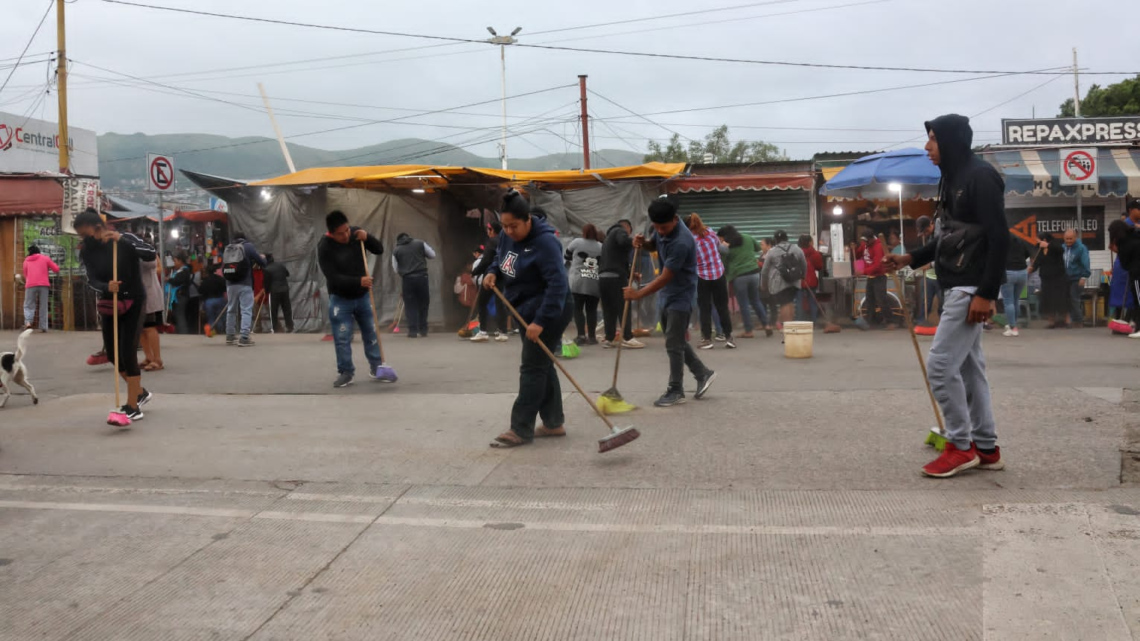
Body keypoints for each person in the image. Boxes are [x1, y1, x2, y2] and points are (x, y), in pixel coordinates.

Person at [884, 113, 1009, 478]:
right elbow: (949, 237)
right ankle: (986, 447)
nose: (927, 147)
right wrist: (910, 259)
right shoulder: (953, 179)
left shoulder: (980, 177)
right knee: (970, 371)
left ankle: (960, 445)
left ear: (951, 142)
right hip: (958, 283)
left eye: (933, 140)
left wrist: (986, 293)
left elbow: (999, 237)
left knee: (939, 366)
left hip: (970, 287)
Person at [484, 190, 572, 448]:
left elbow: (558, 286)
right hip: (525, 310)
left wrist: (540, 322)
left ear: (528, 220)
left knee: (532, 368)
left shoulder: (545, 243)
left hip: (550, 310)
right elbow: (501, 260)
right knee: (542, 364)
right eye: (504, 226)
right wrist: (492, 273)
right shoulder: (505, 236)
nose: (509, 231)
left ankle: (520, 428)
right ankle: (554, 423)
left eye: (514, 226)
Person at [624, 198, 715, 408]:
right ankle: (703, 373)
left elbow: (665, 276)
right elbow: (653, 244)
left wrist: (638, 294)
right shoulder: (663, 228)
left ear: (675, 219)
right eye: (656, 227)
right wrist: (642, 243)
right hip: (666, 294)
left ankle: (676, 389)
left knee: (673, 344)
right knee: (675, 340)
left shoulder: (682, 241)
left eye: (663, 227)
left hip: (681, 295)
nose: (660, 231)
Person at [73, 209, 155, 421]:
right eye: (81, 235)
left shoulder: (125, 238)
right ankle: (139, 392)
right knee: (112, 354)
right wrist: (106, 286)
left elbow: (150, 253)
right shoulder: (87, 251)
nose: (84, 238)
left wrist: (124, 241)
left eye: (85, 233)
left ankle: (133, 406)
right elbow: (91, 279)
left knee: (128, 351)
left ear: (97, 227)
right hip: (109, 303)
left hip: (133, 300)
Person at [318, 211, 385, 388]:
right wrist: (358, 281)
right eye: (340, 233)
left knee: (371, 333)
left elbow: (379, 249)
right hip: (340, 299)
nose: (346, 235)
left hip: (362, 297)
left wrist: (367, 237)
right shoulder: (324, 247)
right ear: (331, 233)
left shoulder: (356, 235)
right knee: (342, 337)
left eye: (347, 230)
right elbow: (332, 277)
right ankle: (346, 372)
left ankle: (377, 367)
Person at [688, 213, 735, 350]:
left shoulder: (690, 239)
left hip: (702, 277)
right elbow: (719, 248)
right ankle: (729, 337)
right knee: (722, 307)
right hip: (719, 274)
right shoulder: (710, 232)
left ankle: (707, 339)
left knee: (705, 308)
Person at [598, 218, 645, 349]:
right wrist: (633, 241)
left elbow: (617, 261)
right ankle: (627, 337)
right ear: (627, 228)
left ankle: (610, 338)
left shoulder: (607, 240)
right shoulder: (619, 231)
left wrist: (631, 274)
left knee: (609, 310)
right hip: (616, 278)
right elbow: (623, 240)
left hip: (603, 278)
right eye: (629, 231)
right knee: (624, 306)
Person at [717, 225, 768, 338]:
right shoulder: (747, 237)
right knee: (756, 300)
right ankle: (766, 325)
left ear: (724, 236)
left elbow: (723, 263)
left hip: (740, 276)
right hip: (754, 273)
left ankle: (748, 331)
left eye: (720, 238)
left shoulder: (725, 247)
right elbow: (757, 248)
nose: (720, 241)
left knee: (744, 304)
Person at [223, 233, 266, 347]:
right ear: (244, 238)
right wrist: (263, 259)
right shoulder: (248, 246)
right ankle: (244, 337)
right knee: (246, 310)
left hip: (230, 283)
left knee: (231, 309)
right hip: (244, 283)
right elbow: (261, 263)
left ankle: (230, 336)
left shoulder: (229, 248)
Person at [565, 223, 604, 345]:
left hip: (578, 282)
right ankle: (592, 337)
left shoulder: (576, 242)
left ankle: (581, 336)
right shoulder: (601, 246)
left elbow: (567, 255)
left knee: (578, 309)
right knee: (591, 310)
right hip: (594, 282)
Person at [760, 230, 807, 330]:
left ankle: (787, 327)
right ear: (787, 238)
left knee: (784, 303)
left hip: (779, 282)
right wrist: (802, 276)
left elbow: (765, 270)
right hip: (794, 280)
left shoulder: (772, 252)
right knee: (789, 302)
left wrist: (763, 284)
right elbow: (803, 264)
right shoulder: (797, 249)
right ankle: (790, 325)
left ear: (776, 240)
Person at [392, 232, 436, 338]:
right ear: (409, 237)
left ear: (398, 241)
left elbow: (395, 268)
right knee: (424, 303)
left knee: (410, 305)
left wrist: (405, 270)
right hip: (422, 277)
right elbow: (432, 255)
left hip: (407, 279)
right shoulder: (420, 243)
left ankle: (412, 331)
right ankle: (423, 330)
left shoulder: (396, 250)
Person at [854, 228, 893, 329]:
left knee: (881, 299)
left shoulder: (878, 247)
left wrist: (863, 271)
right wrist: (854, 249)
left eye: (867, 241)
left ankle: (890, 321)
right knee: (869, 299)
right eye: (864, 241)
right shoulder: (864, 244)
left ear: (872, 239)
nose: (865, 243)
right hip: (870, 276)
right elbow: (859, 255)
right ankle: (871, 321)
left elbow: (877, 266)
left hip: (879, 276)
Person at [1108, 219, 1140, 336]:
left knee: (1138, 300)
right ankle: (1136, 326)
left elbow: (1125, 264)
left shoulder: (1124, 243)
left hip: (1137, 273)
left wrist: (1117, 250)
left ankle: (1138, 328)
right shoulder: (1135, 235)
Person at [1031, 233, 1069, 328]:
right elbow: (1037, 262)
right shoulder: (1041, 250)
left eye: (1039, 240)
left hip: (1058, 278)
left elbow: (1061, 250)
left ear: (1044, 239)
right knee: (1048, 301)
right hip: (1046, 279)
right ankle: (1052, 322)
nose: (1038, 242)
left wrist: (1048, 245)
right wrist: (1031, 269)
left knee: (1061, 300)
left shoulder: (1055, 245)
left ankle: (1066, 321)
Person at [21, 245, 59, 332]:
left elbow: (25, 274)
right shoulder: (45, 258)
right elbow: (56, 269)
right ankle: (43, 326)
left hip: (30, 284)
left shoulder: (26, 261)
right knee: (43, 305)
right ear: (39, 251)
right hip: (44, 285)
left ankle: (28, 323)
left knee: (28, 304)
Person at [1000, 238, 1032, 337]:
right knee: (1016, 299)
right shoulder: (1020, 241)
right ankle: (1013, 323)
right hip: (1023, 272)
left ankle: (1013, 327)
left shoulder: (1001, 242)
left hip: (1008, 272)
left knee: (1008, 301)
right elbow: (1028, 254)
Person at [913, 216, 941, 325]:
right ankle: (921, 321)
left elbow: (943, 257)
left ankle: (944, 324)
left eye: (926, 231)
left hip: (940, 277)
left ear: (931, 224)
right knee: (925, 302)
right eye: (922, 233)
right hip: (928, 277)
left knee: (943, 303)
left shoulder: (941, 236)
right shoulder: (928, 239)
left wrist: (929, 265)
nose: (924, 234)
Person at [139, 256, 165, 371]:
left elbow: (158, 268)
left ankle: (157, 359)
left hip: (149, 293)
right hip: (137, 294)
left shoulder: (147, 252)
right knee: (139, 328)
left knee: (149, 327)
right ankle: (149, 357)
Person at [1061, 229, 1091, 327]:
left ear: (1075, 238)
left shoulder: (1081, 248)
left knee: (1074, 299)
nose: (1068, 241)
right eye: (1066, 239)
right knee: (1065, 299)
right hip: (1065, 279)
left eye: (1071, 239)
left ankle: (1078, 321)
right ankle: (1068, 320)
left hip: (1077, 278)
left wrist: (1084, 277)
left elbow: (1086, 263)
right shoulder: (1063, 247)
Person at [796, 234, 824, 324]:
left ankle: (799, 322)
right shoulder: (815, 253)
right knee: (812, 302)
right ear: (809, 242)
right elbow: (819, 267)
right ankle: (814, 321)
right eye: (812, 241)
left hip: (799, 281)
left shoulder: (796, 252)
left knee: (799, 302)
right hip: (811, 282)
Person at [263, 253, 294, 333]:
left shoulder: (266, 269)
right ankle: (290, 326)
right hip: (285, 289)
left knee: (273, 311)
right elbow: (287, 274)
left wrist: (266, 292)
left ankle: (275, 328)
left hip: (274, 291)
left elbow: (266, 283)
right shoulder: (281, 265)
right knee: (287, 309)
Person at [200, 262, 227, 340]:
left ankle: (212, 332)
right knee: (220, 317)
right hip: (220, 300)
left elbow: (200, 290)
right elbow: (225, 288)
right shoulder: (220, 279)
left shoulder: (205, 280)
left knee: (211, 317)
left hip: (209, 301)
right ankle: (220, 332)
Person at [167, 252, 192, 334]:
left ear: (180, 261)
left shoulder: (184, 270)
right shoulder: (180, 271)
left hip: (181, 296)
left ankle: (183, 332)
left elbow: (177, 281)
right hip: (179, 296)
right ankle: (180, 331)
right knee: (178, 315)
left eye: (175, 261)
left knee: (180, 315)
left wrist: (169, 280)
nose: (174, 263)